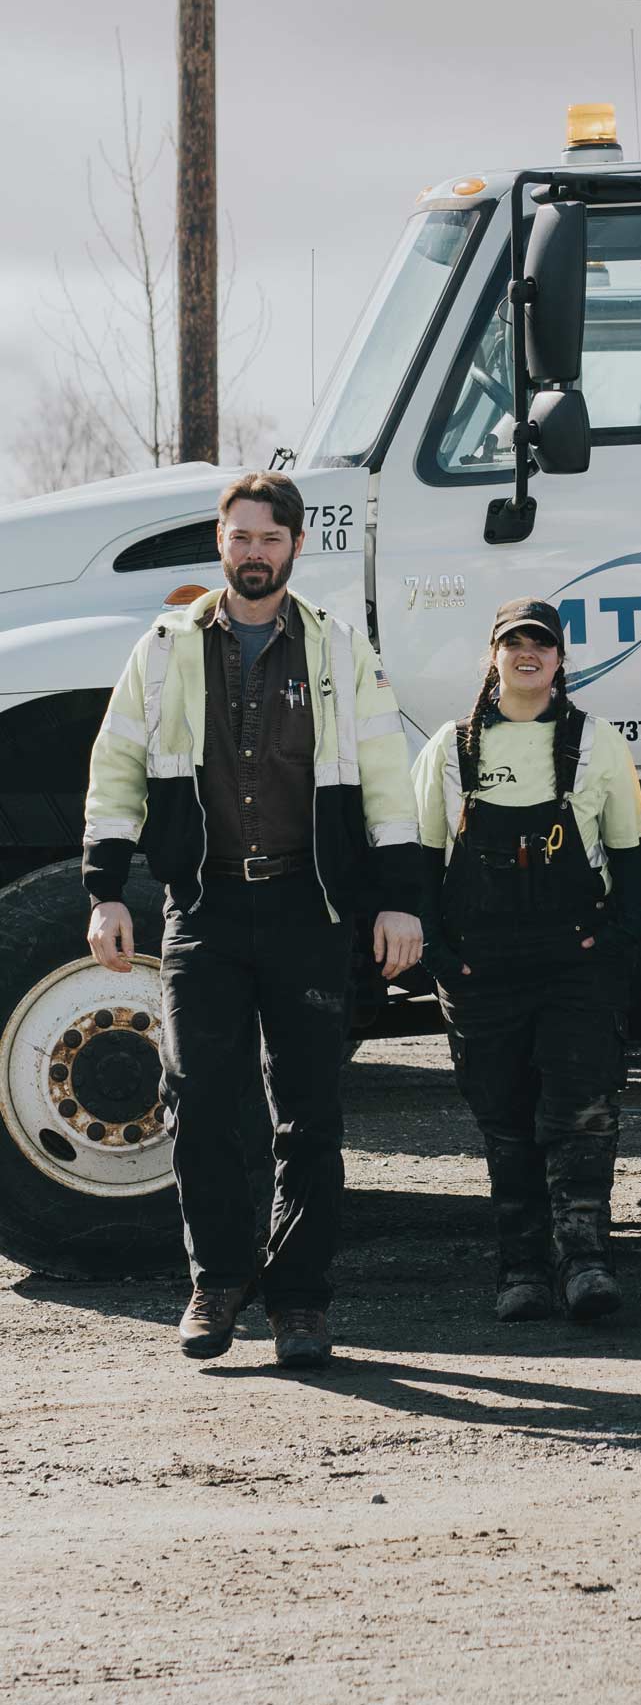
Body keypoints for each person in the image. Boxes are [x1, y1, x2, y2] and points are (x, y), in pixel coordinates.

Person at [83, 472, 422, 1369]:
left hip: (309, 910)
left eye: (270, 539)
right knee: (201, 1107)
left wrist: (397, 896)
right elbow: (117, 764)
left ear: (296, 546)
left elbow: (385, 773)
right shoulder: (162, 647)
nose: (253, 553)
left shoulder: (339, 647)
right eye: (239, 538)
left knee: (308, 1116)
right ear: (220, 544)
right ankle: (218, 1283)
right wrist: (105, 888)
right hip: (204, 909)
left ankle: (302, 1303)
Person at [413, 599, 641, 1324]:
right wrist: (442, 956)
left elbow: (634, 858)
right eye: (513, 641)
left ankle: (586, 1263)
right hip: (484, 973)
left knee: (582, 1114)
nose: (527, 654)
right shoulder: (450, 749)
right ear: (493, 655)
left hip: (574, 966)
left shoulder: (596, 741)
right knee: (507, 1124)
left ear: (558, 659)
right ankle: (522, 1270)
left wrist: (614, 941)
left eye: (541, 644)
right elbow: (422, 864)